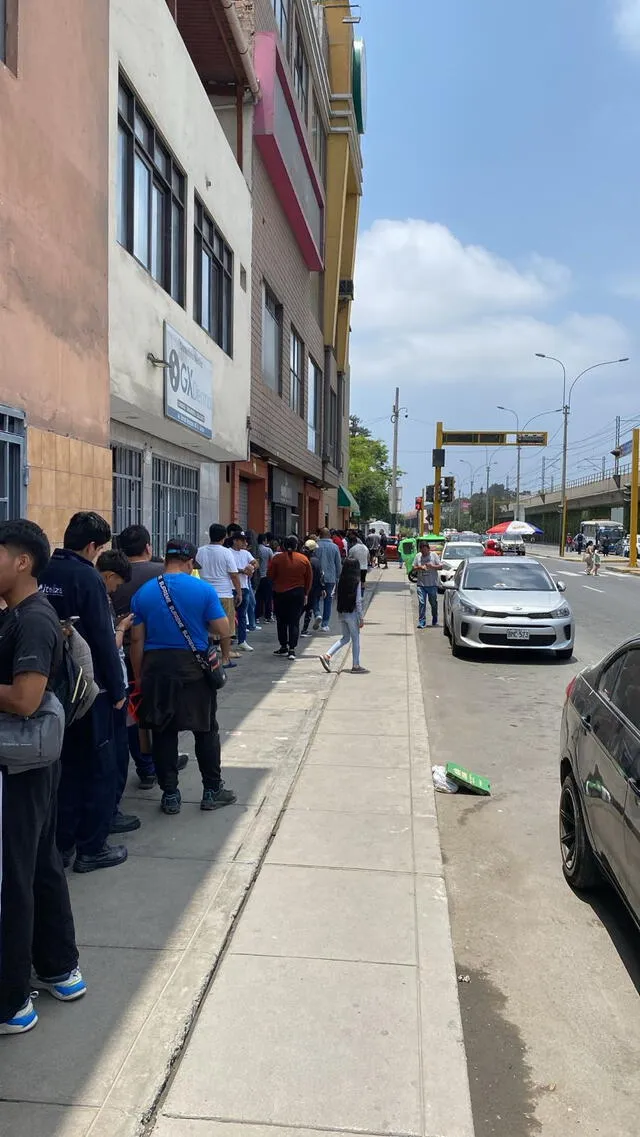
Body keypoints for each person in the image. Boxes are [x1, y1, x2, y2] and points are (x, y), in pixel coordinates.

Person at [0, 520, 87, 1035]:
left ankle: (12, 1000)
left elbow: (26, 700)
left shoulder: (32, 619)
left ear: (22, 561)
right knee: (39, 864)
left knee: (12, 877)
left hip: (19, 766)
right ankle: (59, 969)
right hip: (35, 765)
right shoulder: (22, 614)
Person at [40, 512, 128, 873]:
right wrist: (118, 688)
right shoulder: (88, 577)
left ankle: (61, 845)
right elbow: (103, 640)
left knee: (66, 767)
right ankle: (93, 846)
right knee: (100, 767)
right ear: (93, 546)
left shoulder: (43, 570)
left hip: (48, 686)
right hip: (89, 688)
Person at [129, 539, 236, 816]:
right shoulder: (202, 589)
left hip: (157, 669)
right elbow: (223, 629)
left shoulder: (144, 593)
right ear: (189, 562)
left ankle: (170, 795)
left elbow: (137, 641)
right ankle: (212, 790)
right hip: (194, 670)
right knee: (206, 730)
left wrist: (140, 678)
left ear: (166, 560)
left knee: (163, 732)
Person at [111, 525, 164, 786]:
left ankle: (146, 766)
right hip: (158, 652)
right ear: (148, 547)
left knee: (133, 710)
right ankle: (162, 757)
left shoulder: (112, 575)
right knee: (161, 707)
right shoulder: (162, 573)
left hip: (123, 650)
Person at [96, 549, 141, 837]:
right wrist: (123, 627)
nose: (115, 590)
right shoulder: (98, 596)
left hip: (101, 687)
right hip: (110, 688)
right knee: (115, 753)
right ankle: (110, 814)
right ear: (110, 576)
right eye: (116, 584)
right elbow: (108, 646)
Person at [197, 524, 243, 669]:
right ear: (224, 538)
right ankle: (225, 658)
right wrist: (239, 592)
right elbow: (234, 575)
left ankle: (207, 657)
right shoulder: (225, 553)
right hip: (224, 594)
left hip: (205, 594)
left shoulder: (200, 551)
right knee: (226, 629)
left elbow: (194, 568)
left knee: (205, 627)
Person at [319, 557, 367, 674]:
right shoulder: (356, 581)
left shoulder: (340, 580)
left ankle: (327, 655)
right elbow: (358, 601)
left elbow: (333, 594)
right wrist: (361, 617)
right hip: (352, 614)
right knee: (355, 639)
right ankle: (356, 665)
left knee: (345, 638)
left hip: (342, 613)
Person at [267, 535, 312, 660]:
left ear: (283, 546)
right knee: (294, 621)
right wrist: (306, 593)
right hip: (297, 593)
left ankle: (283, 646)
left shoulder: (277, 559)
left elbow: (270, 575)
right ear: (297, 546)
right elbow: (309, 579)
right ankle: (292, 649)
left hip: (280, 593)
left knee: (281, 621)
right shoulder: (304, 559)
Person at [230, 532, 258, 653]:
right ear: (235, 540)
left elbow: (255, 562)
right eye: (242, 540)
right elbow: (229, 570)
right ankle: (226, 640)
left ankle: (242, 641)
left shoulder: (246, 553)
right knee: (229, 616)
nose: (244, 543)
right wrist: (243, 571)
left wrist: (252, 567)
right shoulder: (228, 552)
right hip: (230, 588)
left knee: (242, 615)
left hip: (244, 587)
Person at [316, 527, 342, 630]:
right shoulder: (334, 547)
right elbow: (338, 564)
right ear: (329, 536)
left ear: (320, 535)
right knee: (328, 600)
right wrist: (338, 577)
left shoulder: (316, 546)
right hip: (331, 578)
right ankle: (325, 624)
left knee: (315, 598)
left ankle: (317, 613)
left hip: (317, 577)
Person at [413, 540, 442, 628]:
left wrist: (432, 566)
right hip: (421, 585)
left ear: (428, 549)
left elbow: (440, 566)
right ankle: (422, 621)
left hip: (432, 584)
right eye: (422, 551)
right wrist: (420, 567)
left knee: (433, 603)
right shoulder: (418, 556)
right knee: (422, 603)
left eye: (425, 550)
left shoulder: (434, 555)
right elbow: (414, 567)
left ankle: (435, 616)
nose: (424, 553)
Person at [300, 540, 325, 637]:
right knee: (309, 609)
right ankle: (304, 630)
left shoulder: (302, 559)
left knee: (301, 608)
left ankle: (293, 626)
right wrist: (322, 588)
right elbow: (320, 575)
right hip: (313, 588)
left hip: (301, 587)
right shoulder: (316, 561)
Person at [255, 533, 274, 622]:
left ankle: (257, 616)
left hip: (257, 577)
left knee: (258, 597)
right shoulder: (268, 550)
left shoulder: (255, 549)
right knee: (268, 597)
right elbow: (273, 561)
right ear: (264, 541)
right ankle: (268, 616)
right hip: (266, 576)